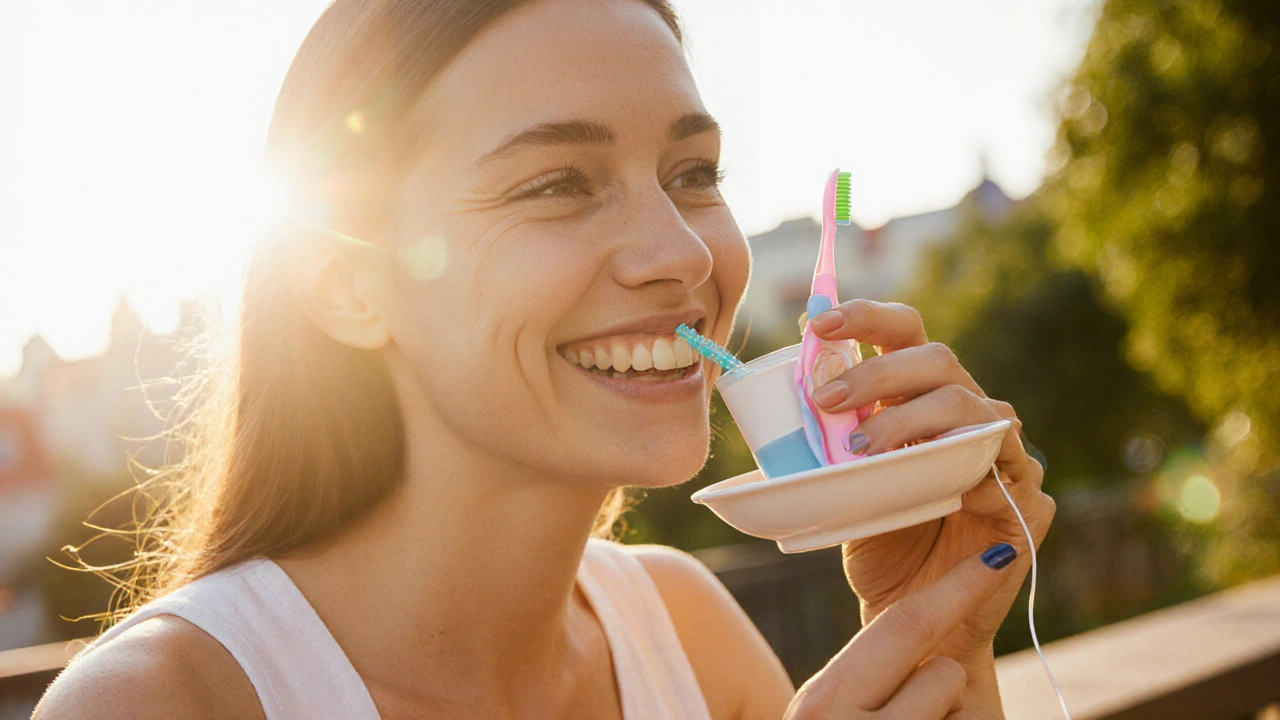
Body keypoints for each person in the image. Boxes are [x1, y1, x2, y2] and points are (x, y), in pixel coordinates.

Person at [35, 0, 1055, 718]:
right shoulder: (162, 703)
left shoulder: (687, 633)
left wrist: (934, 641)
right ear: (347, 285)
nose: (682, 252)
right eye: (558, 183)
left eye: (693, 172)